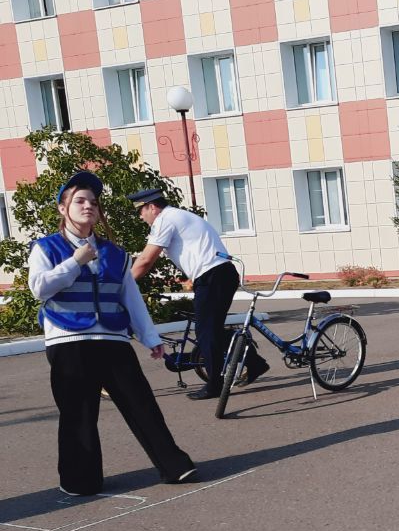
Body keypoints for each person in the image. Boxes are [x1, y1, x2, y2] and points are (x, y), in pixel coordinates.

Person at [28, 170, 197, 496]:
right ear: (63, 208)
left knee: (142, 403)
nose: (88, 206)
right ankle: (80, 480)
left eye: (93, 201)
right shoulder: (46, 248)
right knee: (78, 412)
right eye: (79, 200)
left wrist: (150, 337)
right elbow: (40, 288)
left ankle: (174, 466)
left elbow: (130, 298)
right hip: (69, 341)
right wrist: (75, 261)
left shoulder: (115, 254)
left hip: (112, 338)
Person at [129, 188, 268, 400]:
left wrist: (124, 284)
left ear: (152, 207)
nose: (140, 217)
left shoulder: (165, 220)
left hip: (214, 276)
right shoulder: (176, 216)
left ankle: (215, 385)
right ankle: (254, 362)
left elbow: (146, 260)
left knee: (206, 332)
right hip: (217, 275)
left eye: (141, 211)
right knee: (210, 329)